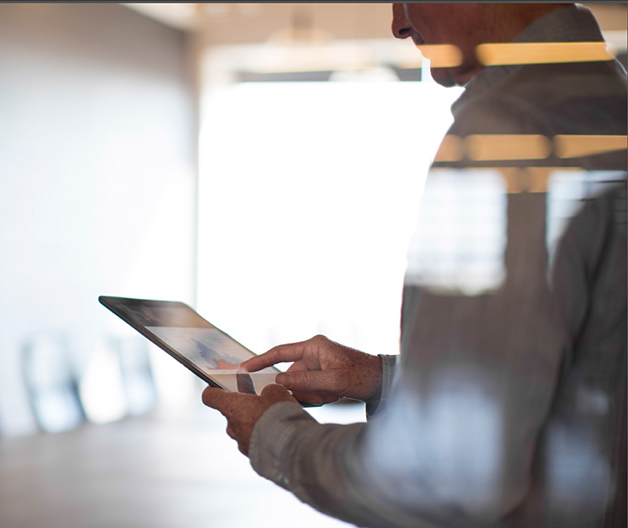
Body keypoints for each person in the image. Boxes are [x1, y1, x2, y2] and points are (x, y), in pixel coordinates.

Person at [203, 3, 627, 527]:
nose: (398, 24)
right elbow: (597, 381)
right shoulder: (610, 98)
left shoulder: (510, 130)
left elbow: (441, 477)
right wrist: (378, 377)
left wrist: (275, 434)